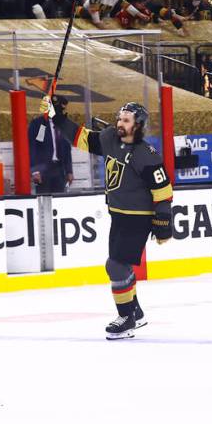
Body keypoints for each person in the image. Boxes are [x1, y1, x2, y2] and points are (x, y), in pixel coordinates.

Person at [51, 99, 173, 339]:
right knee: (120, 265)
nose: (120, 123)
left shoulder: (146, 155)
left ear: (138, 126)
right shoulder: (109, 139)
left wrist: (163, 223)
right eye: (119, 118)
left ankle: (126, 318)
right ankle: (135, 312)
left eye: (126, 120)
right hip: (117, 215)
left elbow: (163, 191)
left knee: (115, 265)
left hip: (138, 217)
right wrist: (58, 118)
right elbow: (81, 138)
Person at [28, 95, 74, 193]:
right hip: (43, 170)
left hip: (59, 170)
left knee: (59, 201)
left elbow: (67, 149)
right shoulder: (38, 124)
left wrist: (69, 171)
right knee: (44, 200)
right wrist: (35, 171)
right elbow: (33, 148)